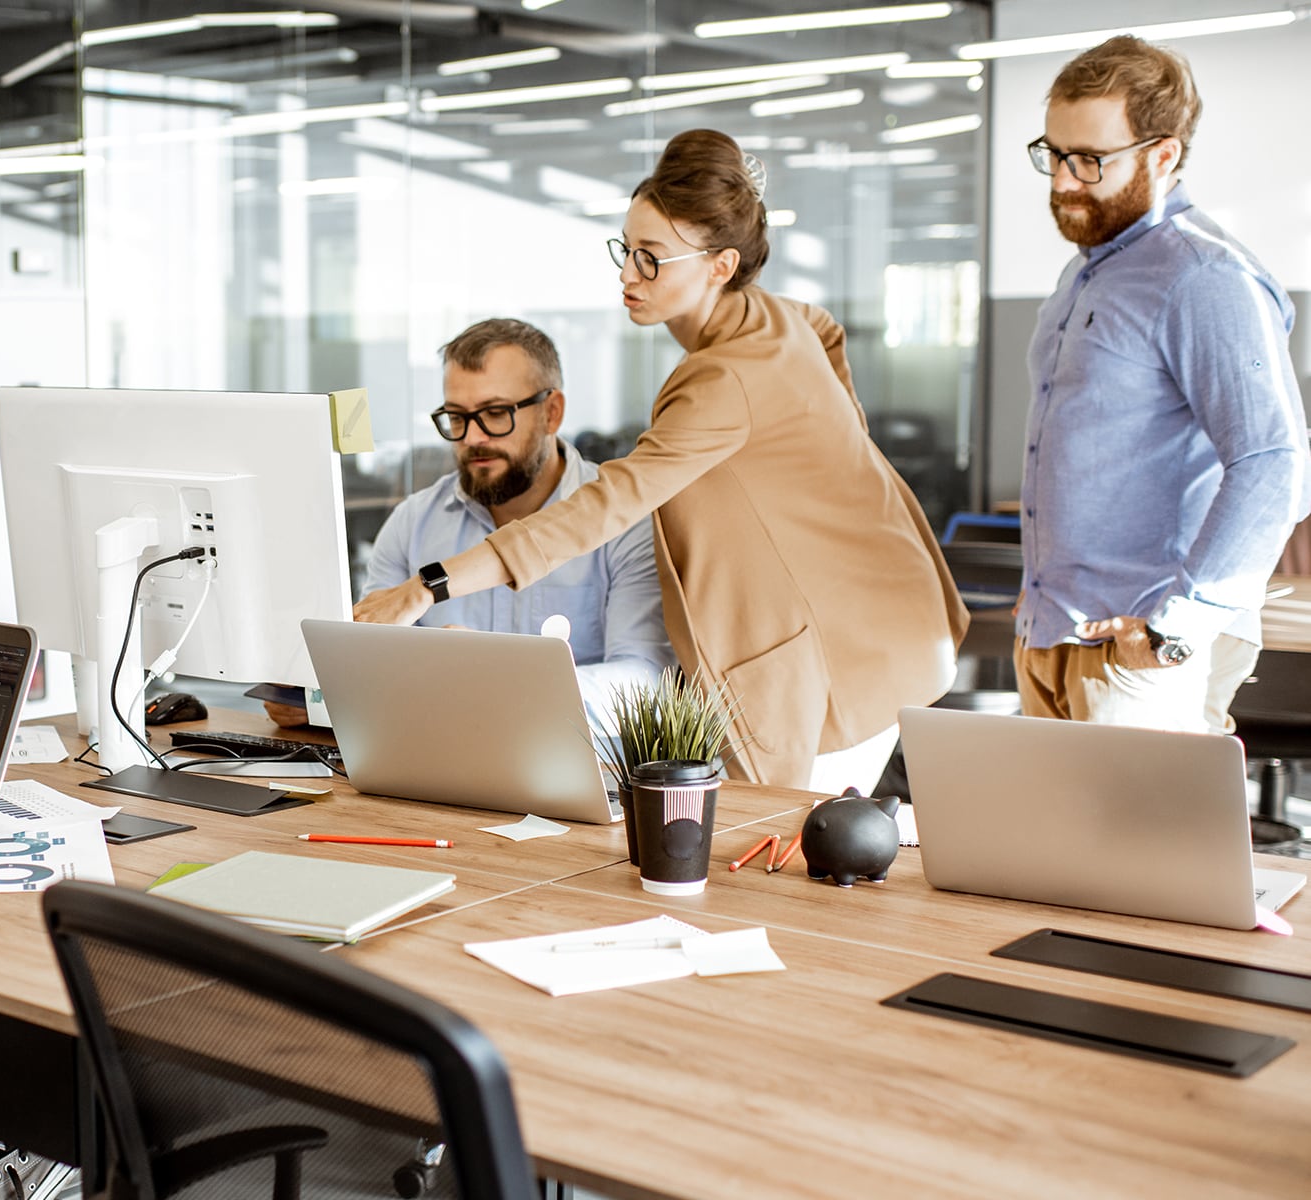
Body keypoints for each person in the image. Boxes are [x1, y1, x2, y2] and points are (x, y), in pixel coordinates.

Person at [353, 131, 967, 794]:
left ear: (719, 265)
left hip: (848, 656)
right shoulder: (779, 319)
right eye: (626, 251)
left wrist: (431, 586)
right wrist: (831, 477)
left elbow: (601, 507)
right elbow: (828, 335)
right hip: (890, 618)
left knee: (773, 857)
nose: (627, 277)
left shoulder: (722, 380)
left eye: (651, 261)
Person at [1016, 36, 1308, 733]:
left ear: (1163, 154)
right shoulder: (1088, 271)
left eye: (1090, 160)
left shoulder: (1205, 278)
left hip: (1141, 647)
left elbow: (1274, 462)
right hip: (1055, 629)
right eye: (1053, 154)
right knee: (1043, 844)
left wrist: (1174, 630)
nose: (1062, 181)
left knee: (1141, 846)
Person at [311, 318, 673, 726]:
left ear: (552, 413)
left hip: (585, 768)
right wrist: (314, 698)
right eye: (457, 417)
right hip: (435, 762)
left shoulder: (625, 523)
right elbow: (367, 665)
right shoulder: (412, 523)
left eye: (496, 413)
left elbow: (645, 681)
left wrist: (499, 679)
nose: (473, 438)